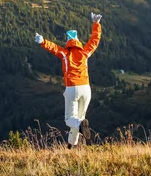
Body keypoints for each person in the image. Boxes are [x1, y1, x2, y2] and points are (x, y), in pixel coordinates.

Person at [35, 12, 102, 148]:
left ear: (68, 41)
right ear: (77, 41)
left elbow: (53, 48)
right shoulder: (84, 53)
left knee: (70, 119)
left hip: (72, 88)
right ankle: (71, 146)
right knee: (79, 118)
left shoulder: (65, 54)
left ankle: (78, 131)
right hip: (86, 88)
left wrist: (42, 41)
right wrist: (96, 24)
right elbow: (95, 41)